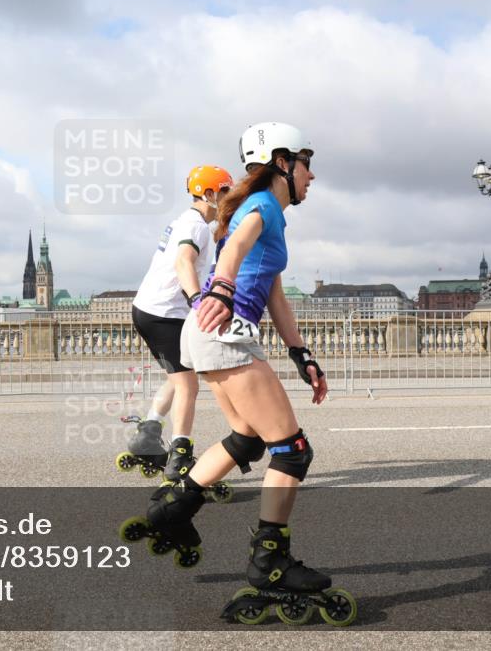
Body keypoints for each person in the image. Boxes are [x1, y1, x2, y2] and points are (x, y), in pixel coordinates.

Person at [121, 123, 354, 625]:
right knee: (292, 451)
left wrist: (301, 354)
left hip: (214, 336)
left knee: (246, 439)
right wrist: (223, 287)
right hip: (223, 334)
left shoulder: (271, 214)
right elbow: (233, 249)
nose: (313, 175)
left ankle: (173, 510)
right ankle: (270, 561)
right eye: (307, 163)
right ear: (282, 162)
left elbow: (275, 294)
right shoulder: (262, 208)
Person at [120, 165, 232, 482]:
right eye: (225, 193)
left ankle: (149, 431)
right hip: (164, 313)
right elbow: (184, 261)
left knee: (179, 374)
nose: (229, 199)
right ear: (210, 194)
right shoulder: (195, 226)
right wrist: (199, 300)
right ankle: (180, 455)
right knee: (188, 384)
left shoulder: (189, 223)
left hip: (149, 309)